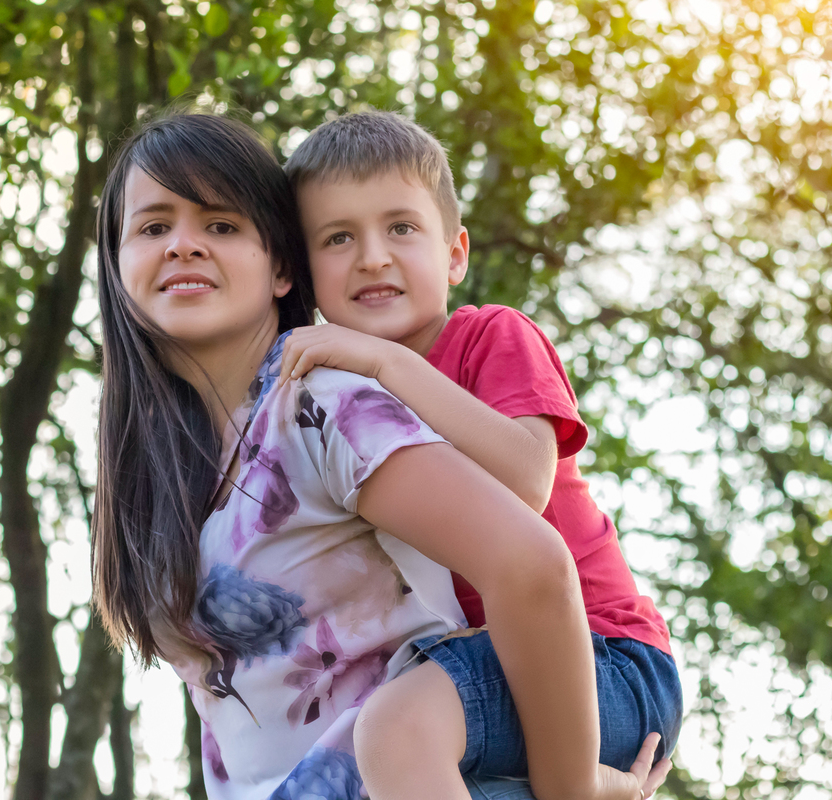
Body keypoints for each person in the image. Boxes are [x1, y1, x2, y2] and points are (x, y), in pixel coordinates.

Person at [90, 112, 666, 800]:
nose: (183, 245)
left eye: (219, 225)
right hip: (471, 691)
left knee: (399, 727)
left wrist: (570, 791)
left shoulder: (340, 399)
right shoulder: (171, 465)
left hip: (599, 656)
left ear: (281, 268)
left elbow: (529, 523)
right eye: (154, 227)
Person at [279, 110, 683, 798]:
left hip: (600, 657)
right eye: (339, 237)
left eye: (401, 228)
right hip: (482, 676)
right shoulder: (332, 409)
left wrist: (388, 364)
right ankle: (601, 786)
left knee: (397, 730)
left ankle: (583, 784)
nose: (373, 255)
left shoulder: (492, 335)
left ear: (455, 253)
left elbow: (526, 481)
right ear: (304, 273)